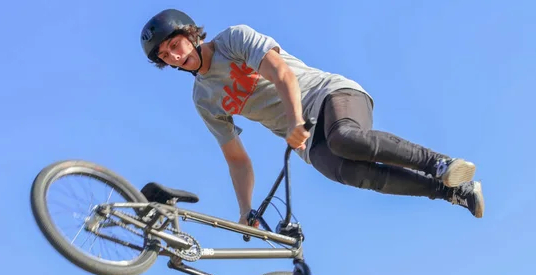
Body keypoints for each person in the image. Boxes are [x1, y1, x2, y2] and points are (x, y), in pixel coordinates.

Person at [139, 9, 485, 225]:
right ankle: (451, 191)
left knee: (345, 139)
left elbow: (282, 76)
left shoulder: (233, 39)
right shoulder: (204, 98)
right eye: (165, 56)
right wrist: (246, 210)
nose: (173, 56)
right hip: (306, 136)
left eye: (175, 44)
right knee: (345, 171)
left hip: (328, 95)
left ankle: (439, 163)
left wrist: (294, 121)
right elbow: (237, 160)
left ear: (189, 34)